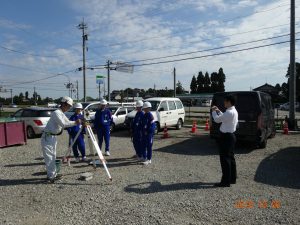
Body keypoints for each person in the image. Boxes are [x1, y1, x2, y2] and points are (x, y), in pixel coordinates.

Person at [41, 96, 82, 183]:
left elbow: (67, 122)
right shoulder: (56, 113)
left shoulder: (61, 113)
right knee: (49, 157)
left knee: (53, 156)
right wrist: (75, 122)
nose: (69, 108)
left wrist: (76, 122)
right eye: (68, 106)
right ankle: (51, 176)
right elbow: (64, 124)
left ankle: (53, 174)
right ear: (63, 104)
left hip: (52, 137)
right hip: (47, 137)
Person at [211, 95, 238, 187]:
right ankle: (232, 179)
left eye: (225, 101)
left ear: (229, 102)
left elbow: (217, 120)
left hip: (226, 137)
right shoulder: (233, 111)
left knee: (225, 159)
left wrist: (214, 111)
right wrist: (219, 111)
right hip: (231, 136)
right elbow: (225, 117)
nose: (224, 103)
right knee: (231, 158)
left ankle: (225, 181)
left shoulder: (229, 112)